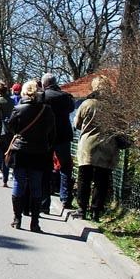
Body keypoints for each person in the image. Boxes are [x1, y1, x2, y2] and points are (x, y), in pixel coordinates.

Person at [6, 80, 55, 231]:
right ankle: (35, 222)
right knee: (36, 185)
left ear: (24, 92)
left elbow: (11, 128)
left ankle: (17, 219)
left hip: (21, 151)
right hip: (39, 152)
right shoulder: (47, 110)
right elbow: (52, 133)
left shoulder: (18, 109)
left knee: (18, 183)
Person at [73, 75, 122, 221]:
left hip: (88, 146)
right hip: (107, 146)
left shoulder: (87, 104)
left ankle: (82, 209)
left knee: (84, 179)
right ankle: (96, 212)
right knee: (101, 181)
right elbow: (121, 127)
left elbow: (77, 124)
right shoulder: (115, 108)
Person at [41, 73, 76, 209]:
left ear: (44, 84)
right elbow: (71, 109)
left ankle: (44, 201)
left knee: (45, 167)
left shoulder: (43, 97)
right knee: (65, 167)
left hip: (46, 135)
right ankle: (65, 198)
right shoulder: (66, 97)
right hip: (63, 135)